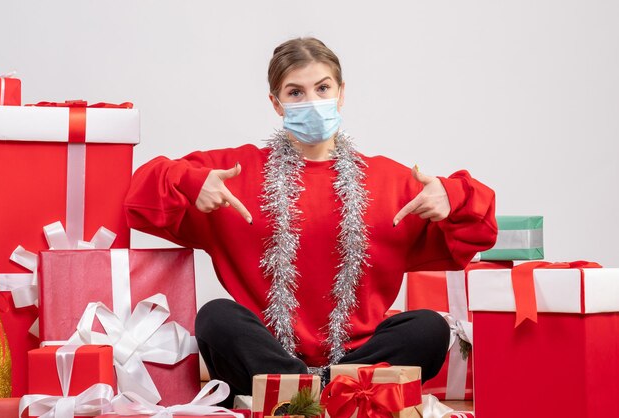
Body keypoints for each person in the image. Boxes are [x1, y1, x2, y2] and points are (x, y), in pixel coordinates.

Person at [124, 37, 497, 401]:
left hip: (357, 360)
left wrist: (453, 195)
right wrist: (190, 182)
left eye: (322, 88)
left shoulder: (390, 180)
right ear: (276, 102)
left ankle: (318, 393)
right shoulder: (235, 173)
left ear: (341, 92)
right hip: (264, 356)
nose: (312, 102)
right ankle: (317, 392)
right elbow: (137, 198)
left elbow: (481, 230)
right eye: (296, 92)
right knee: (216, 317)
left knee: (429, 328)